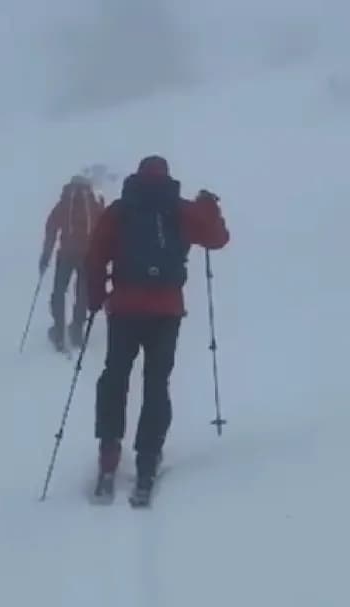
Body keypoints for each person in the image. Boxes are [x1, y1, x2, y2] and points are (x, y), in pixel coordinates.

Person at [84, 155, 230, 501]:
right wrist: (209, 207)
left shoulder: (120, 211)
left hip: (124, 309)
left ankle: (108, 455)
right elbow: (217, 238)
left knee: (115, 376)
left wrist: (95, 298)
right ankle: (147, 461)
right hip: (166, 311)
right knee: (156, 382)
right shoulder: (179, 209)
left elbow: (95, 255)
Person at [39, 175, 105, 350]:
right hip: (88, 256)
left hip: (66, 254)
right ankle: (77, 329)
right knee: (82, 292)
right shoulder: (94, 204)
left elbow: (51, 228)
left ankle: (59, 330)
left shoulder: (64, 203)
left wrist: (45, 256)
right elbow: (104, 228)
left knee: (59, 291)